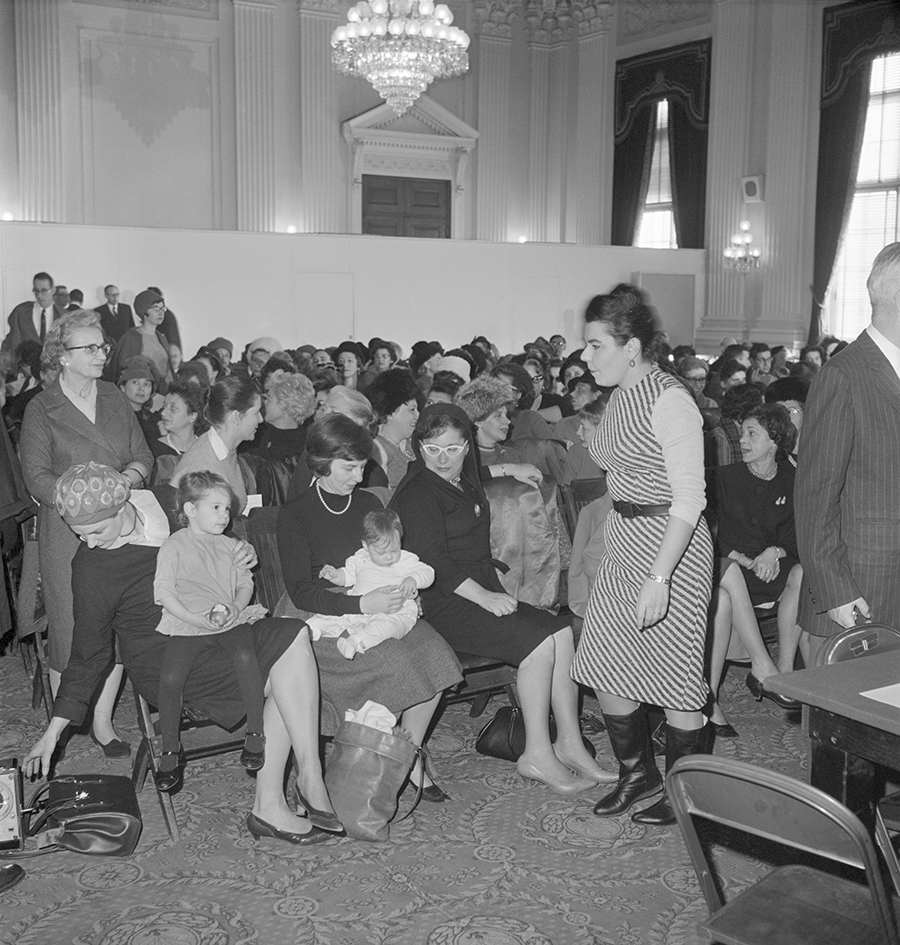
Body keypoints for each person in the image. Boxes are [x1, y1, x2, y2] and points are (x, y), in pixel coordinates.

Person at [23, 463, 338, 844]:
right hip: (164, 655)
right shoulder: (92, 567)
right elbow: (88, 654)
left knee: (293, 635)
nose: (88, 543)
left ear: (123, 505)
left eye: (95, 531)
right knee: (283, 670)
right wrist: (54, 729)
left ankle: (307, 775)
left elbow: (217, 528)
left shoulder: (165, 503)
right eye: (79, 535)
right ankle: (275, 803)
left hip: (216, 626)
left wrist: (240, 552)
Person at [391, 403, 614, 793]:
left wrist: (509, 468)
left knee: (560, 632)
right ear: (418, 447)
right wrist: (484, 597)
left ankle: (569, 742)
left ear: (467, 448)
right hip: (442, 603)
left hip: (477, 592)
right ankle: (537, 754)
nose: (442, 459)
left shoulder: (460, 477)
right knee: (539, 645)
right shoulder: (418, 493)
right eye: (432, 449)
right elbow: (434, 561)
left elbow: (476, 473)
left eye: (453, 448)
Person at [571, 284, 713, 826]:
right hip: (626, 540)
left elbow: (689, 499)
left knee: (676, 675)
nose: (585, 357)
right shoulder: (622, 393)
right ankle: (638, 774)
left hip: (670, 549)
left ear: (631, 347)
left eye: (595, 345)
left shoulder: (669, 399)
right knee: (606, 666)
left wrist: (660, 576)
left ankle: (688, 794)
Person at [277, 413, 463, 799]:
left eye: (362, 467)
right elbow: (301, 593)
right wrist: (362, 601)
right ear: (321, 462)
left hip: (378, 606)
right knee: (397, 662)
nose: (359, 478)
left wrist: (404, 587)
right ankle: (377, 761)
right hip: (320, 615)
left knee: (436, 654)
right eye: (349, 468)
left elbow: (397, 557)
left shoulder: (367, 503)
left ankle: (404, 755)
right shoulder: (296, 514)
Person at [20, 310, 152, 757]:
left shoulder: (114, 397)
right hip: (68, 532)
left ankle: (102, 722)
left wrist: (126, 480)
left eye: (103, 347)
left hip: (120, 528)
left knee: (113, 626)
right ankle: (63, 725)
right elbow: (35, 478)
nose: (101, 355)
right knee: (72, 628)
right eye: (90, 348)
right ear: (63, 356)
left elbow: (142, 456)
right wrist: (84, 498)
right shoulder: (42, 407)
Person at [797, 243, 900, 663]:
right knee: (851, 721)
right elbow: (815, 495)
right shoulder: (843, 374)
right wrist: (836, 589)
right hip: (860, 586)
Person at [153, 472, 269, 792]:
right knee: (171, 678)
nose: (225, 515)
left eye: (228, 509)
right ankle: (170, 749)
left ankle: (255, 733)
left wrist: (234, 606)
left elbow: (246, 583)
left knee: (246, 656)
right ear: (190, 509)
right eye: (216, 507)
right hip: (188, 621)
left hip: (228, 618)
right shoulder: (173, 546)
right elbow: (164, 592)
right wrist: (191, 617)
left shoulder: (232, 545)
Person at [706, 404, 803, 733]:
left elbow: (795, 535)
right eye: (742, 433)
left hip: (769, 567)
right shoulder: (725, 477)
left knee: (802, 574)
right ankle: (762, 666)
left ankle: (785, 670)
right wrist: (748, 559)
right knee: (729, 580)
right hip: (732, 566)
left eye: (752, 434)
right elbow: (712, 534)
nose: (742, 441)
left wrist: (773, 553)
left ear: (774, 441)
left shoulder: (791, 478)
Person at [311, 508, 434, 658]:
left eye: (395, 550)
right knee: (332, 616)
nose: (389, 557)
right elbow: (348, 576)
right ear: (365, 545)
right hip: (361, 606)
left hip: (395, 610)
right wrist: (335, 574)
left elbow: (429, 573)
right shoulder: (361, 558)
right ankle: (309, 630)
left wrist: (413, 579)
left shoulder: (405, 560)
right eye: (382, 552)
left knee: (387, 627)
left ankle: (355, 642)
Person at [171, 375, 263, 513]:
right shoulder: (201, 466)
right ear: (237, 417)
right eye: (256, 413)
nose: (261, 419)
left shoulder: (226, 450)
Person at [107, 289, 174, 393]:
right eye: (156, 308)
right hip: (142, 391)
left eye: (162, 308)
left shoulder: (161, 337)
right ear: (144, 312)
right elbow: (123, 371)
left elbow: (168, 370)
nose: (161, 312)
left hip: (163, 391)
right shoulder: (132, 338)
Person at [366, 368, 419, 490]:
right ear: (390, 414)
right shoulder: (378, 450)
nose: (418, 415)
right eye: (412, 410)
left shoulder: (409, 443)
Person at [1, 272, 63, 358]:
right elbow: (11, 340)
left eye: (44, 291)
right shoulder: (20, 312)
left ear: (53, 290)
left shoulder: (63, 316)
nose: (39, 296)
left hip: (53, 367)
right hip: (25, 368)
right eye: (36, 291)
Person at [150, 378, 205, 461]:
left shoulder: (205, 449)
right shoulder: (153, 450)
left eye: (173, 408)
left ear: (192, 416)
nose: (163, 413)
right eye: (164, 406)